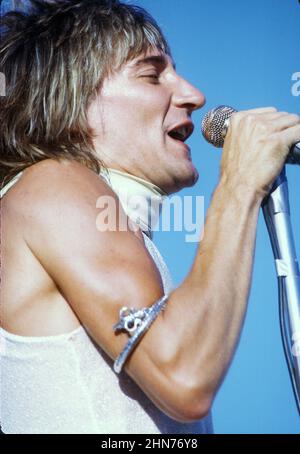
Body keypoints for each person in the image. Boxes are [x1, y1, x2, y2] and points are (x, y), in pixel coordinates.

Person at [0, 0, 299, 435]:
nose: (194, 96)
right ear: (75, 102)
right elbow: (183, 376)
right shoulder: (53, 185)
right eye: (152, 74)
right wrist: (238, 185)